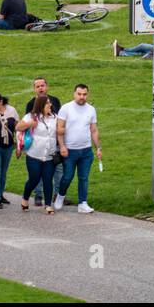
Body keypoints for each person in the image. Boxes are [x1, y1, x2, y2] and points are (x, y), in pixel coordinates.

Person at [53, 84, 101, 214]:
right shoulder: (66, 108)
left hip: (86, 150)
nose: (82, 97)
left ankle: (82, 203)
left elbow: (94, 130)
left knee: (83, 178)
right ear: (74, 94)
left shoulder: (91, 109)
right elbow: (60, 129)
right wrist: (62, 146)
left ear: (87, 94)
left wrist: (98, 148)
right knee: (67, 176)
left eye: (84, 94)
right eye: (79, 94)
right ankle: (60, 196)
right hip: (70, 150)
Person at [16, 96, 59, 213]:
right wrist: (30, 123)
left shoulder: (55, 118)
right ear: (40, 106)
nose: (50, 105)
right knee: (34, 179)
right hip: (34, 155)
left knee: (48, 180)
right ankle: (25, 198)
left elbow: (60, 132)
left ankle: (48, 205)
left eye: (50, 103)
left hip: (50, 156)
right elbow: (18, 127)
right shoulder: (31, 117)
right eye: (47, 104)